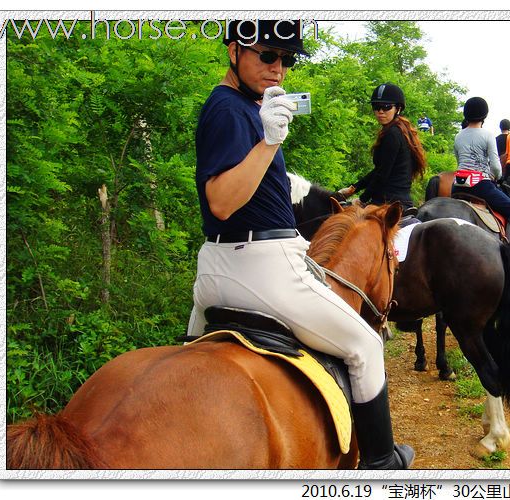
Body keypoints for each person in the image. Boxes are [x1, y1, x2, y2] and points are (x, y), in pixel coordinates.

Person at [189, 20, 413, 470]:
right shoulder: (231, 109)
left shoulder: (246, 106)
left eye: (286, 59)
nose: (279, 68)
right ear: (234, 50)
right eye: (267, 55)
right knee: (366, 345)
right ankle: (381, 466)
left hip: (215, 269)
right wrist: (270, 141)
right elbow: (221, 200)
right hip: (260, 267)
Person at [338, 83, 427, 208]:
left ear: (398, 109)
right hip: (399, 200)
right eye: (376, 107)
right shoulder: (401, 130)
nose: (380, 111)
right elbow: (378, 170)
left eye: (386, 107)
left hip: (386, 202)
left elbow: (382, 174)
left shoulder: (392, 134)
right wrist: (354, 188)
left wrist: (362, 199)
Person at [451, 97, 510, 242]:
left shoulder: (458, 136)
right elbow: (495, 166)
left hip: (457, 186)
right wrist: (498, 176)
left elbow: (459, 161)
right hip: (480, 186)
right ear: (484, 116)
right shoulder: (488, 135)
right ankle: (506, 247)